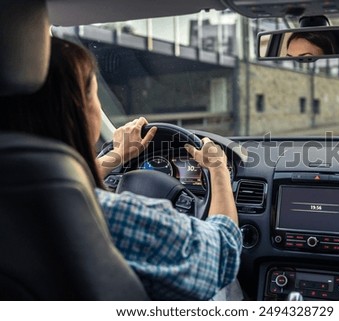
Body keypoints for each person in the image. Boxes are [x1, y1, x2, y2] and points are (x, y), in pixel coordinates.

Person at [0, 37, 242, 300]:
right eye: (94, 93)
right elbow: (222, 255)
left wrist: (117, 156)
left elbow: (52, 177)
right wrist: (218, 171)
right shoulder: (111, 219)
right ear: (77, 109)